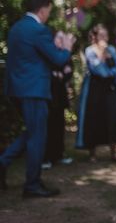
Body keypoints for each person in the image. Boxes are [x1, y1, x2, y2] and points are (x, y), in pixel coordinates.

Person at [0, 0, 74, 197]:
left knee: (32, 131)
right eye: (49, 11)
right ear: (42, 10)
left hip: (16, 89)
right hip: (33, 90)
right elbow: (58, 59)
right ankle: (32, 184)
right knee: (37, 137)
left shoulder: (16, 28)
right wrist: (67, 48)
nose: (48, 15)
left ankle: (3, 162)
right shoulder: (39, 30)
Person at [76, 24, 116, 162]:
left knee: (113, 118)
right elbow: (98, 70)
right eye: (101, 36)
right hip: (94, 90)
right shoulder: (89, 51)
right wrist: (103, 56)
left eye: (106, 35)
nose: (104, 38)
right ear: (95, 37)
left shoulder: (112, 50)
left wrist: (111, 72)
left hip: (109, 89)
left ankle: (114, 152)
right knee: (94, 119)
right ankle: (92, 153)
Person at [42, 35, 74, 169]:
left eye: (63, 39)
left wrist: (61, 74)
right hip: (49, 97)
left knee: (60, 126)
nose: (62, 41)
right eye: (59, 38)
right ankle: (47, 157)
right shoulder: (48, 54)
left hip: (60, 97)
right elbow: (50, 73)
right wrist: (58, 74)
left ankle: (59, 154)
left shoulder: (65, 55)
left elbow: (68, 72)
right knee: (49, 127)